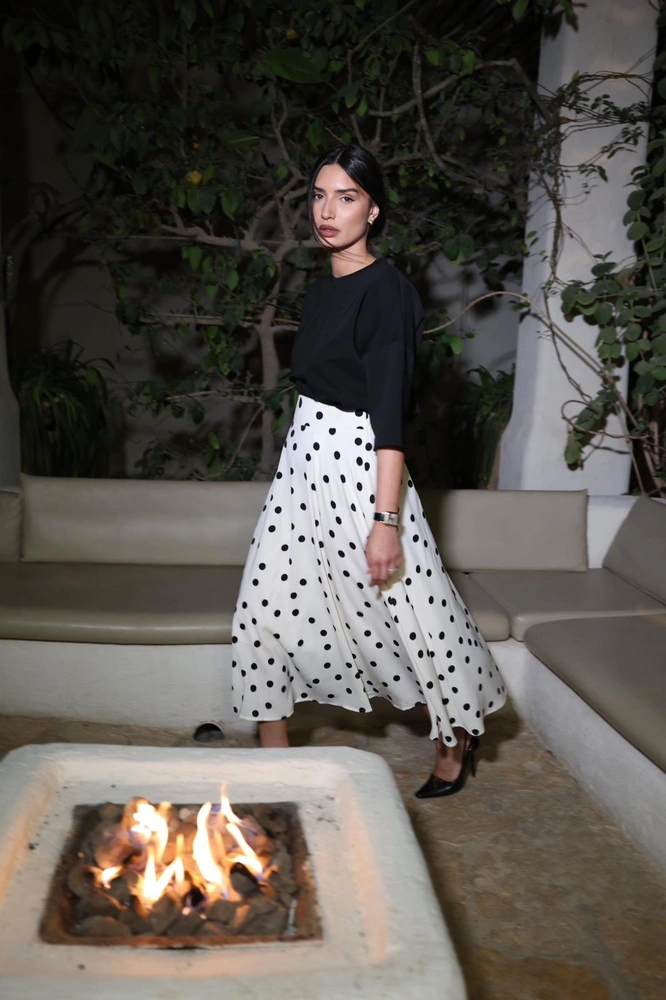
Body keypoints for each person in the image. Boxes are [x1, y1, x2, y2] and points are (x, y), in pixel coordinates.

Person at [230, 142, 507, 798]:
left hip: (362, 467)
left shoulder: (388, 294)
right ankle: (276, 772)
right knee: (263, 607)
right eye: (319, 196)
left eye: (346, 197)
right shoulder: (321, 291)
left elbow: (389, 416)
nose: (327, 211)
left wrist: (386, 520)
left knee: (412, 610)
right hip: (303, 466)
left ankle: (457, 735)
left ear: (373, 211)